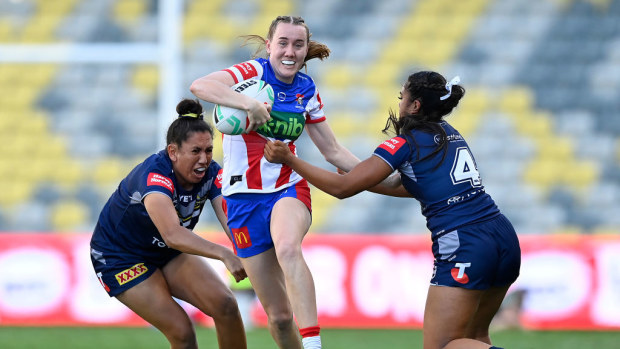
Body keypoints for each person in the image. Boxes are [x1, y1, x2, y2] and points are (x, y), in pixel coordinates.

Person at [264, 71, 521, 349]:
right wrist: (365, 178)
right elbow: (412, 186)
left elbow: (343, 189)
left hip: (466, 243)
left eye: (402, 97)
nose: (399, 103)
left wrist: (289, 159)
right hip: (502, 235)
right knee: (474, 338)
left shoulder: (404, 144)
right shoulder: (449, 134)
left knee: (443, 346)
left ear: (415, 106)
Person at [189, 15, 362, 349]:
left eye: (298, 44)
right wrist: (248, 104)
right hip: (240, 199)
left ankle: (314, 345)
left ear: (305, 49)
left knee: (287, 247)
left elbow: (333, 151)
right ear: (269, 46)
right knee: (280, 319)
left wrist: (385, 175)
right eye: (283, 43)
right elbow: (201, 86)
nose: (290, 51)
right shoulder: (251, 73)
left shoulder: (306, 90)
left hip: (287, 187)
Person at [90, 99, 248, 349]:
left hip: (163, 250)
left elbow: (232, 221)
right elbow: (173, 234)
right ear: (173, 152)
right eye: (195, 151)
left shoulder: (211, 173)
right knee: (182, 332)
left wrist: (252, 250)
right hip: (121, 257)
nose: (204, 159)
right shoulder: (154, 176)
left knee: (225, 305)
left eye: (208, 150)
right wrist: (224, 254)